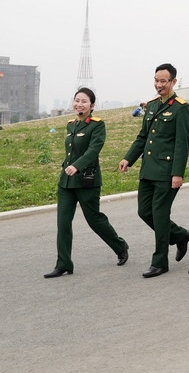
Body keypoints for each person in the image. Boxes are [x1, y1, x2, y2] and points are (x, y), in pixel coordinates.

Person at [45, 88, 129, 278]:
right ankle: (64, 263)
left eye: (84, 101)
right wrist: (68, 168)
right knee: (63, 223)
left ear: (92, 106)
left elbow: (93, 150)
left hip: (86, 180)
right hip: (66, 182)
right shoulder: (70, 125)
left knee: (94, 219)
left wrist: (77, 166)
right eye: (76, 100)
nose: (79, 104)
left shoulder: (97, 126)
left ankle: (120, 245)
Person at [119, 63, 189, 278]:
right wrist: (128, 158)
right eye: (156, 80)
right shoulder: (151, 105)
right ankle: (180, 235)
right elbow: (143, 137)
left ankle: (160, 262)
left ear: (173, 82)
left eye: (163, 81)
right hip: (148, 170)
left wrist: (177, 173)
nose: (159, 85)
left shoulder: (181, 108)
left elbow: (182, 143)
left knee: (160, 216)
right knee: (144, 212)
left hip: (167, 172)